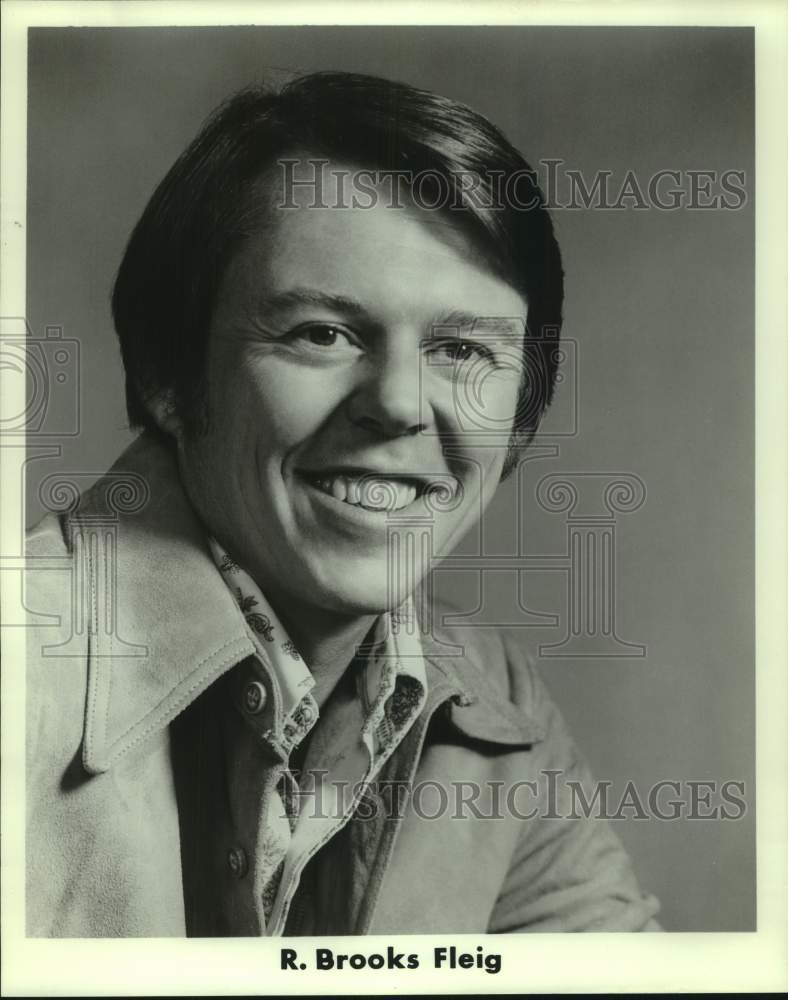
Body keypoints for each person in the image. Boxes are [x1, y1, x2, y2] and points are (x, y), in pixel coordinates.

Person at [25, 71, 660, 936]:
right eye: (322, 333)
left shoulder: (496, 703)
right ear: (169, 374)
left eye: (463, 349)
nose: (399, 404)